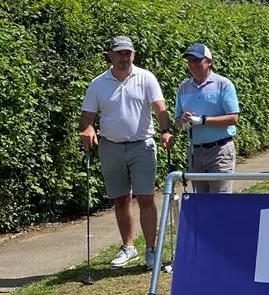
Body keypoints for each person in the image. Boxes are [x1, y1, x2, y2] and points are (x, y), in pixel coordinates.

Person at [79, 36, 174, 270]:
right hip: (111, 146)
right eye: (119, 53)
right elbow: (87, 117)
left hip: (142, 145)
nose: (124, 58)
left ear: (134, 55)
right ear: (110, 55)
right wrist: (88, 129)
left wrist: (165, 131)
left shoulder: (146, 77)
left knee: (145, 198)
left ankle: (151, 250)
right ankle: (128, 247)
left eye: (128, 53)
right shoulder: (98, 83)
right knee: (120, 199)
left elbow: (159, 107)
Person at [173, 43, 241, 194]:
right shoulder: (183, 88)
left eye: (197, 60)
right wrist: (183, 120)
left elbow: (233, 118)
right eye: (190, 61)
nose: (192, 64)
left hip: (220, 151)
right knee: (201, 201)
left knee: (220, 201)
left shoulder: (224, 84)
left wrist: (202, 120)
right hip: (195, 152)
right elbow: (177, 120)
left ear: (209, 62)